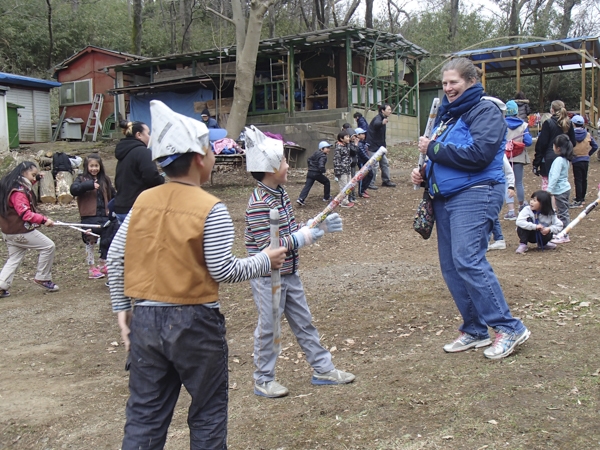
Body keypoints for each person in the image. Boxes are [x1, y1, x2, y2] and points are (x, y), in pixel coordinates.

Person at [107, 101, 286, 450]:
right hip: (194, 323)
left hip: (145, 318)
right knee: (207, 412)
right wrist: (265, 259)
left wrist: (123, 310)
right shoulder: (210, 208)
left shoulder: (143, 200)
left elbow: (116, 257)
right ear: (201, 158)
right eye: (211, 148)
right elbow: (224, 269)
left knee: (144, 415)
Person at [410, 57, 530, 360]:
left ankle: (509, 326)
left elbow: (479, 154)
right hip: (444, 197)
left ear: (471, 82)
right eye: (445, 83)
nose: (448, 88)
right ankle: (475, 328)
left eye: (454, 82)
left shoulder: (485, 111)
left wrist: (433, 149)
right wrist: (425, 171)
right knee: (451, 266)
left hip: (476, 193)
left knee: (468, 259)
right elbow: (445, 156)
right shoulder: (448, 117)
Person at [244, 127, 355, 398]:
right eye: (283, 161)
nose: (287, 165)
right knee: (269, 328)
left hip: (289, 273)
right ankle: (263, 378)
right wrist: (303, 237)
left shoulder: (280, 193)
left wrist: (317, 226)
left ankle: (323, 369)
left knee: (304, 322)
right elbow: (267, 248)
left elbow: (291, 230)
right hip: (267, 277)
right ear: (270, 168)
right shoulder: (259, 202)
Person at [0, 162, 58, 296]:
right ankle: (43, 277)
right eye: (33, 175)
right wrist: (44, 220)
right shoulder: (18, 192)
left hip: (8, 231)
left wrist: (37, 179)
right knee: (48, 246)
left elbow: (24, 190)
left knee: (14, 257)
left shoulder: (10, 186)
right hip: (20, 231)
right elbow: (25, 213)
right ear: (23, 172)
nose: (34, 178)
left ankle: (1, 285)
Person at [70, 154, 116, 279]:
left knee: (107, 239)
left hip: (105, 216)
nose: (94, 168)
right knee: (90, 241)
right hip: (89, 216)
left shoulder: (105, 180)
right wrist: (89, 185)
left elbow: (112, 193)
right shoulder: (81, 179)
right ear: (86, 167)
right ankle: (91, 268)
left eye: (96, 166)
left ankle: (103, 263)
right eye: (91, 166)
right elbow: (74, 190)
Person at [113, 119, 164, 223]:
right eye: (148, 133)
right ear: (139, 135)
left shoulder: (123, 152)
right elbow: (151, 178)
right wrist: (161, 179)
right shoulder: (143, 152)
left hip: (120, 207)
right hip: (137, 208)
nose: (150, 137)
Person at [532, 100, 576, 190]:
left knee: (547, 183)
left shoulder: (548, 123)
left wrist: (536, 163)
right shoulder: (569, 123)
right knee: (561, 182)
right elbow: (573, 142)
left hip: (548, 158)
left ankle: (549, 203)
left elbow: (541, 144)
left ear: (552, 110)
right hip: (564, 157)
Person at [503, 100, 533, 216]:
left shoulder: (502, 124)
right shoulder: (523, 125)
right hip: (519, 156)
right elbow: (528, 141)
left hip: (505, 157)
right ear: (516, 112)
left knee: (507, 182)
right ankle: (521, 205)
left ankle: (511, 211)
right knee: (519, 182)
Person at [547, 134, 574, 244]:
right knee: (562, 212)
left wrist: (549, 189)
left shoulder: (559, 160)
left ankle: (564, 234)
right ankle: (561, 232)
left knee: (563, 213)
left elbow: (555, 176)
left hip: (560, 190)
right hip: (564, 189)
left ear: (558, 148)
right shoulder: (565, 160)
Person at [570, 115, 598, 208]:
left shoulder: (571, 135)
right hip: (585, 159)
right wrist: (588, 154)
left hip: (576, 159)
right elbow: (595, 146)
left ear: (573, 124)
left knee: (577, 179)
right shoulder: (587, 134)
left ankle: (579, 199)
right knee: (584, 179)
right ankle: (582, 198)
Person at [488, 155, 515, 251]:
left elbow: (509, 171)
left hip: (496, 186)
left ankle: (496, 239)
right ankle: (498, 239)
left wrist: (511, 186)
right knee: (490, 213)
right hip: (483, 186)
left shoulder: (499, 154)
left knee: (490, 212)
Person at [366, 103, 396, 187]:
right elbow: (376, 124)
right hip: (373, 146)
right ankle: (370, 183)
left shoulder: (384, 118)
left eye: (390, 109)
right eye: (389, 110)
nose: (390, 111)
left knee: (384, 163)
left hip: (380, 146)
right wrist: (382, 122)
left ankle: (386, 181)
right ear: (383, 110)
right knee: (374, 165)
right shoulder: (378, 118)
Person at [297, 141, 331, 206]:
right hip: (316, 174)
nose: (329, 149)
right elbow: (321, 166)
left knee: (307, 186)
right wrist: (323, 171)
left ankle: (301, 198)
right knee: (327, 182)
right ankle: (326, 197)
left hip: (310, 172)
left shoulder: (315, 153)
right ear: (322, 149)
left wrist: (310, 167)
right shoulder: (323, 156)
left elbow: (309, 159)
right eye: (327, 148)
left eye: (329, 148)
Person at [333, 131, 354, 208]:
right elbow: (336, 160)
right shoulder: (338, 147)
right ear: (341, 139)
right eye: (347, 137)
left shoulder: (346, 145)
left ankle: (346, 200)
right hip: (342, 171)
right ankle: (343, 202)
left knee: (348, 185)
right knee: (343, 186)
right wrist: (338, 172)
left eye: (349, 136)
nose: (349, 138)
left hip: (347, 169)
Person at [355, 127, 374, 198]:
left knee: (370, 175)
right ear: (358, 135)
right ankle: (361, 191)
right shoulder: (359, 144)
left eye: (364, 133)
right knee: (362, 176)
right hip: (362, 162)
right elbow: (363, 154)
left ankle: (364, 188)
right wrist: (370, 160)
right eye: (362, 134)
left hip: (366, 162)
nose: (364, 135)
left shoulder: (363, 143)